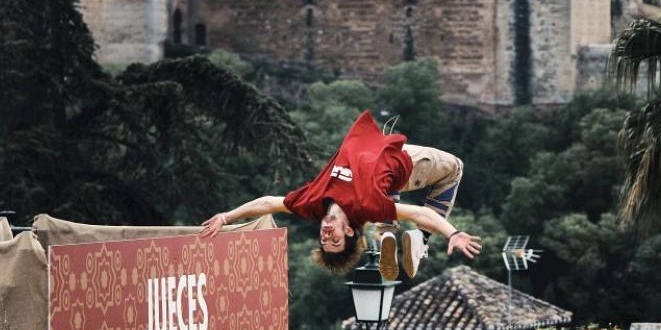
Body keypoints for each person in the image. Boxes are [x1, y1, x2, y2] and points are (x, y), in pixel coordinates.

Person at [200, 109, 481, 279]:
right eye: (333, 240)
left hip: (383, 170)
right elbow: (421, 212)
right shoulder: (364, 207)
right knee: (455, 168)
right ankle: (420, 240)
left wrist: (226, 217)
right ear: (348, 232)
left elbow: (267, 203)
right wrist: (453, 233)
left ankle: (386, 234)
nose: (326, 235)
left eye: (324, 240)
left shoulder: (311, 203)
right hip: (407, 164)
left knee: (384, 196)